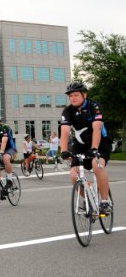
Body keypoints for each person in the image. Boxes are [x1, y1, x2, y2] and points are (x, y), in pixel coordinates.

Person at [60, 82, 112, 214]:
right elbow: (65, 132)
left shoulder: (94, 106)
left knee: (97, 164)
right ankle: (87, 198)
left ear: (84, 95)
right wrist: (64, 150)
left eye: (76, 95)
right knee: (73, 175)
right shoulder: (68, 111)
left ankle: (105, 202)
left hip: (100, 143)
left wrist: (94, 148)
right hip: (80, 146)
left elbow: (97, 128)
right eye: (70, 96)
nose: (72, 98)